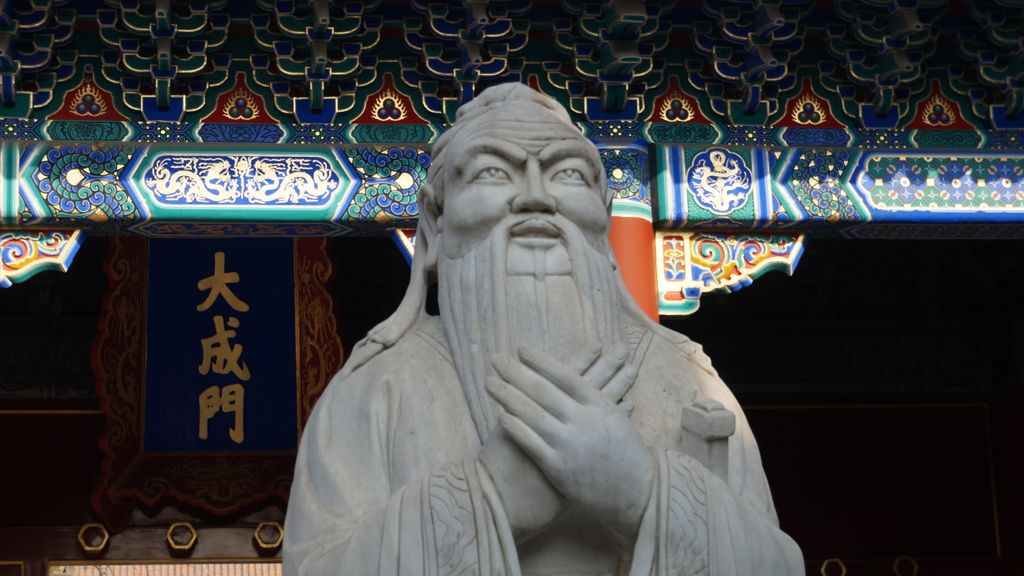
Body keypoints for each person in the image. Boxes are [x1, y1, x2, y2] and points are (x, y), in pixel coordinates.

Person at [284, 83, 804, 576]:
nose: (535, 197)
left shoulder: (685, 374)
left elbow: (778, 564)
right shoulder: (377, 386)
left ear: (603, 218)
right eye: (492, 172)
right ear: (436, 223)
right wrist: (490, 496)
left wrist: (643, 492)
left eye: (567, 174)